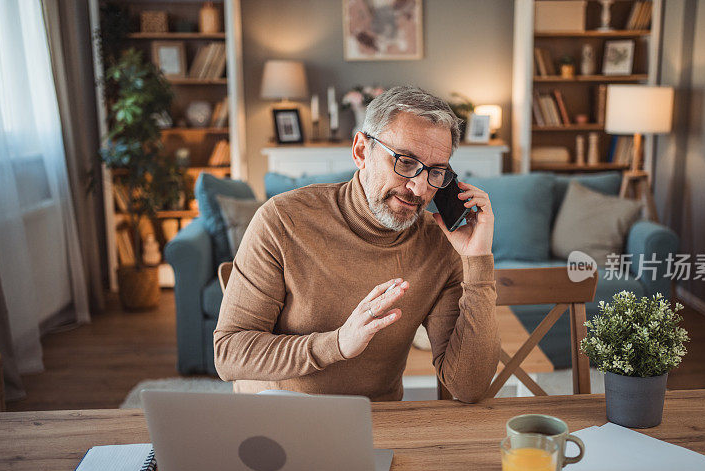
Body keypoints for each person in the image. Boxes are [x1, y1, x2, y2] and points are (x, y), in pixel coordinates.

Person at [214, 86, 500, 402]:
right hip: (278, 418)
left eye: (436, 171)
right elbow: (229, 353)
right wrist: (336, 344)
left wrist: (478, 261)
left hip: (376, 423)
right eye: (405, 162)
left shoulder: (440, 245)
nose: (419, 188)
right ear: (361, 151)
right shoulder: (283, 220)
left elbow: (468, 388)